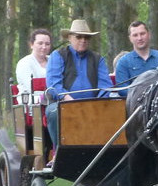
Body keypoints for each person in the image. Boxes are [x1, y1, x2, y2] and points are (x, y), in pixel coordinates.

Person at [45, 19, 112, 156]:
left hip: (94, 105)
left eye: (86, 37)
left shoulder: (98, 59)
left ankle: (106, 153)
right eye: (79, 37)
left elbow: (105, 86)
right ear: (69, 38)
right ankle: (60, 152)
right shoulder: (58, 56)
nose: (83, 40)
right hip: (64, 104)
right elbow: (53, 85)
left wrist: (96, 104)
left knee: (115, 111)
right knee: (53, 112)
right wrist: (70, 101)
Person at [114, 21, 158, 97]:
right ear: (130, 38)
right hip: (134, 104)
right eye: (135, 35)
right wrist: (145, 95)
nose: (139, 38)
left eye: (142, 34)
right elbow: (122, 90)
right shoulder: (123, 62)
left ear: (149, 34)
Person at [15, 28, 51, 95]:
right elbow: (30, 88)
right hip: (31, 99)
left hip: (55, 99)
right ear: (31, 44)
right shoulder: (24, 63)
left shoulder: (53, 61)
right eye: (40, 43)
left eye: (47, 44)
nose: (44, 47)